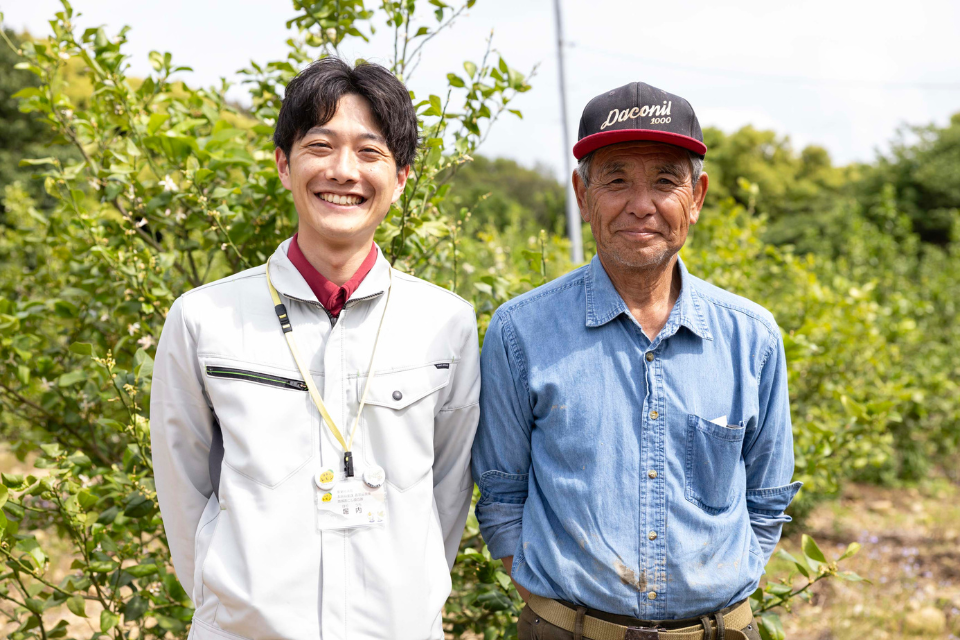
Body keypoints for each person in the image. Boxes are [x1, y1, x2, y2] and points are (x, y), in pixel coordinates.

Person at [151, 57, 480, 640]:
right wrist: (224, 600)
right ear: (284, 164)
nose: (343, 170)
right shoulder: (203, 319)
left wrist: (416, 596)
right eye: (320, 145)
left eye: (370, 152)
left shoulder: (444, 323)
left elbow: (448, 490)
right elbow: (182, 491)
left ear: (401, 177)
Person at [472, 82, 801, 640]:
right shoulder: (520, 331)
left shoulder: (752, 337)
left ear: (696, 199)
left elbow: (768, 500)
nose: (641, 204)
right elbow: (501, 495)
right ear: (582, 194)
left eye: (666, 182)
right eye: (616, 180)